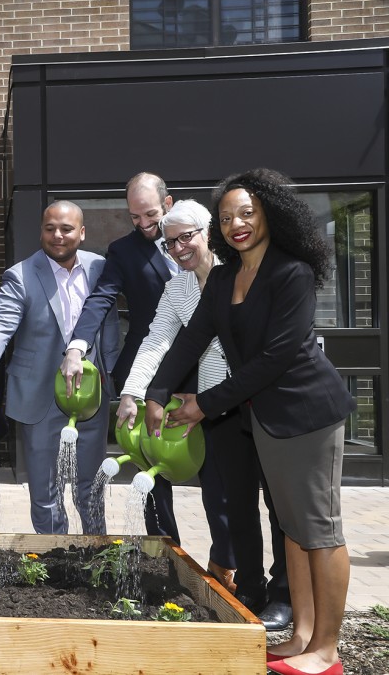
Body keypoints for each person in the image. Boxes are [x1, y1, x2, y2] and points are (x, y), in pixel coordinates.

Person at [145, 169, 355, 675]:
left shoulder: (292, 273)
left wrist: (203, 404)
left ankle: (326, 650)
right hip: (264, 416)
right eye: (226, 218)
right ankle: (302, 635)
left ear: (270, 215)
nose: (236, 224)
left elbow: (274, 359)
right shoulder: (223, 278)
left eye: (247, 213)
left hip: (307, 413)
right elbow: (192, 339)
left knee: (319, 529)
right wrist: (156, 393)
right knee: (293, 529)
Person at [117, 199, 290, 622]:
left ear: (207, 233)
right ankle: (249, 587)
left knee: (279, 503)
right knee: (233, 501)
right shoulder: (178, 288)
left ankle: (284, 593)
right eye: (170, 243)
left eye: (186, 237)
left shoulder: (242, 272)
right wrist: (135, 392)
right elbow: (159, 340)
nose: (178, 249)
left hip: (263, 399)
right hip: (216, 405)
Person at [59, 173, 202, 556]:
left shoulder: (199, 242)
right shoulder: (123, 251)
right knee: (153, 474)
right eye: (134, 216)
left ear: (168, 203)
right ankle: (165, 553)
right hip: (148, 373)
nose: (143, 224)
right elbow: (101, 298)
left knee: (218, 472)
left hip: (205, 371)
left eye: (150, 215)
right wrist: (77, 347)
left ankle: (226, 563)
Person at [0, 201, 118, 534]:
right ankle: (54, 556)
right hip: (39, 397)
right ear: (41, 232)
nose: (57, 235)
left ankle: (97, 553)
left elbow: (110, 325)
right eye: (50, 229)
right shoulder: (21, 275)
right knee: (46, 492)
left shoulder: (100, 268)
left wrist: (112, 375)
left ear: (82, 232)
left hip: (91, 396)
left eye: (66, 229)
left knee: (91, 487)